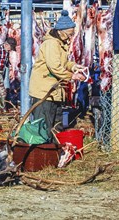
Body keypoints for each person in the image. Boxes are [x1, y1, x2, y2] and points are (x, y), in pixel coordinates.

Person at [28, 10, 86, 142]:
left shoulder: (60, 44)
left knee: (57, 123)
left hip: (54, 91)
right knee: (44, 125)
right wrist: (73, 76)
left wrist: (73, 66)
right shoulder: (51, 44)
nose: (70, 37)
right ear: (61, 31)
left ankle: (55, 151)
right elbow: (55, 67)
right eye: (69, 34)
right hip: (44, 92)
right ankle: (43, 153)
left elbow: (63, 62)